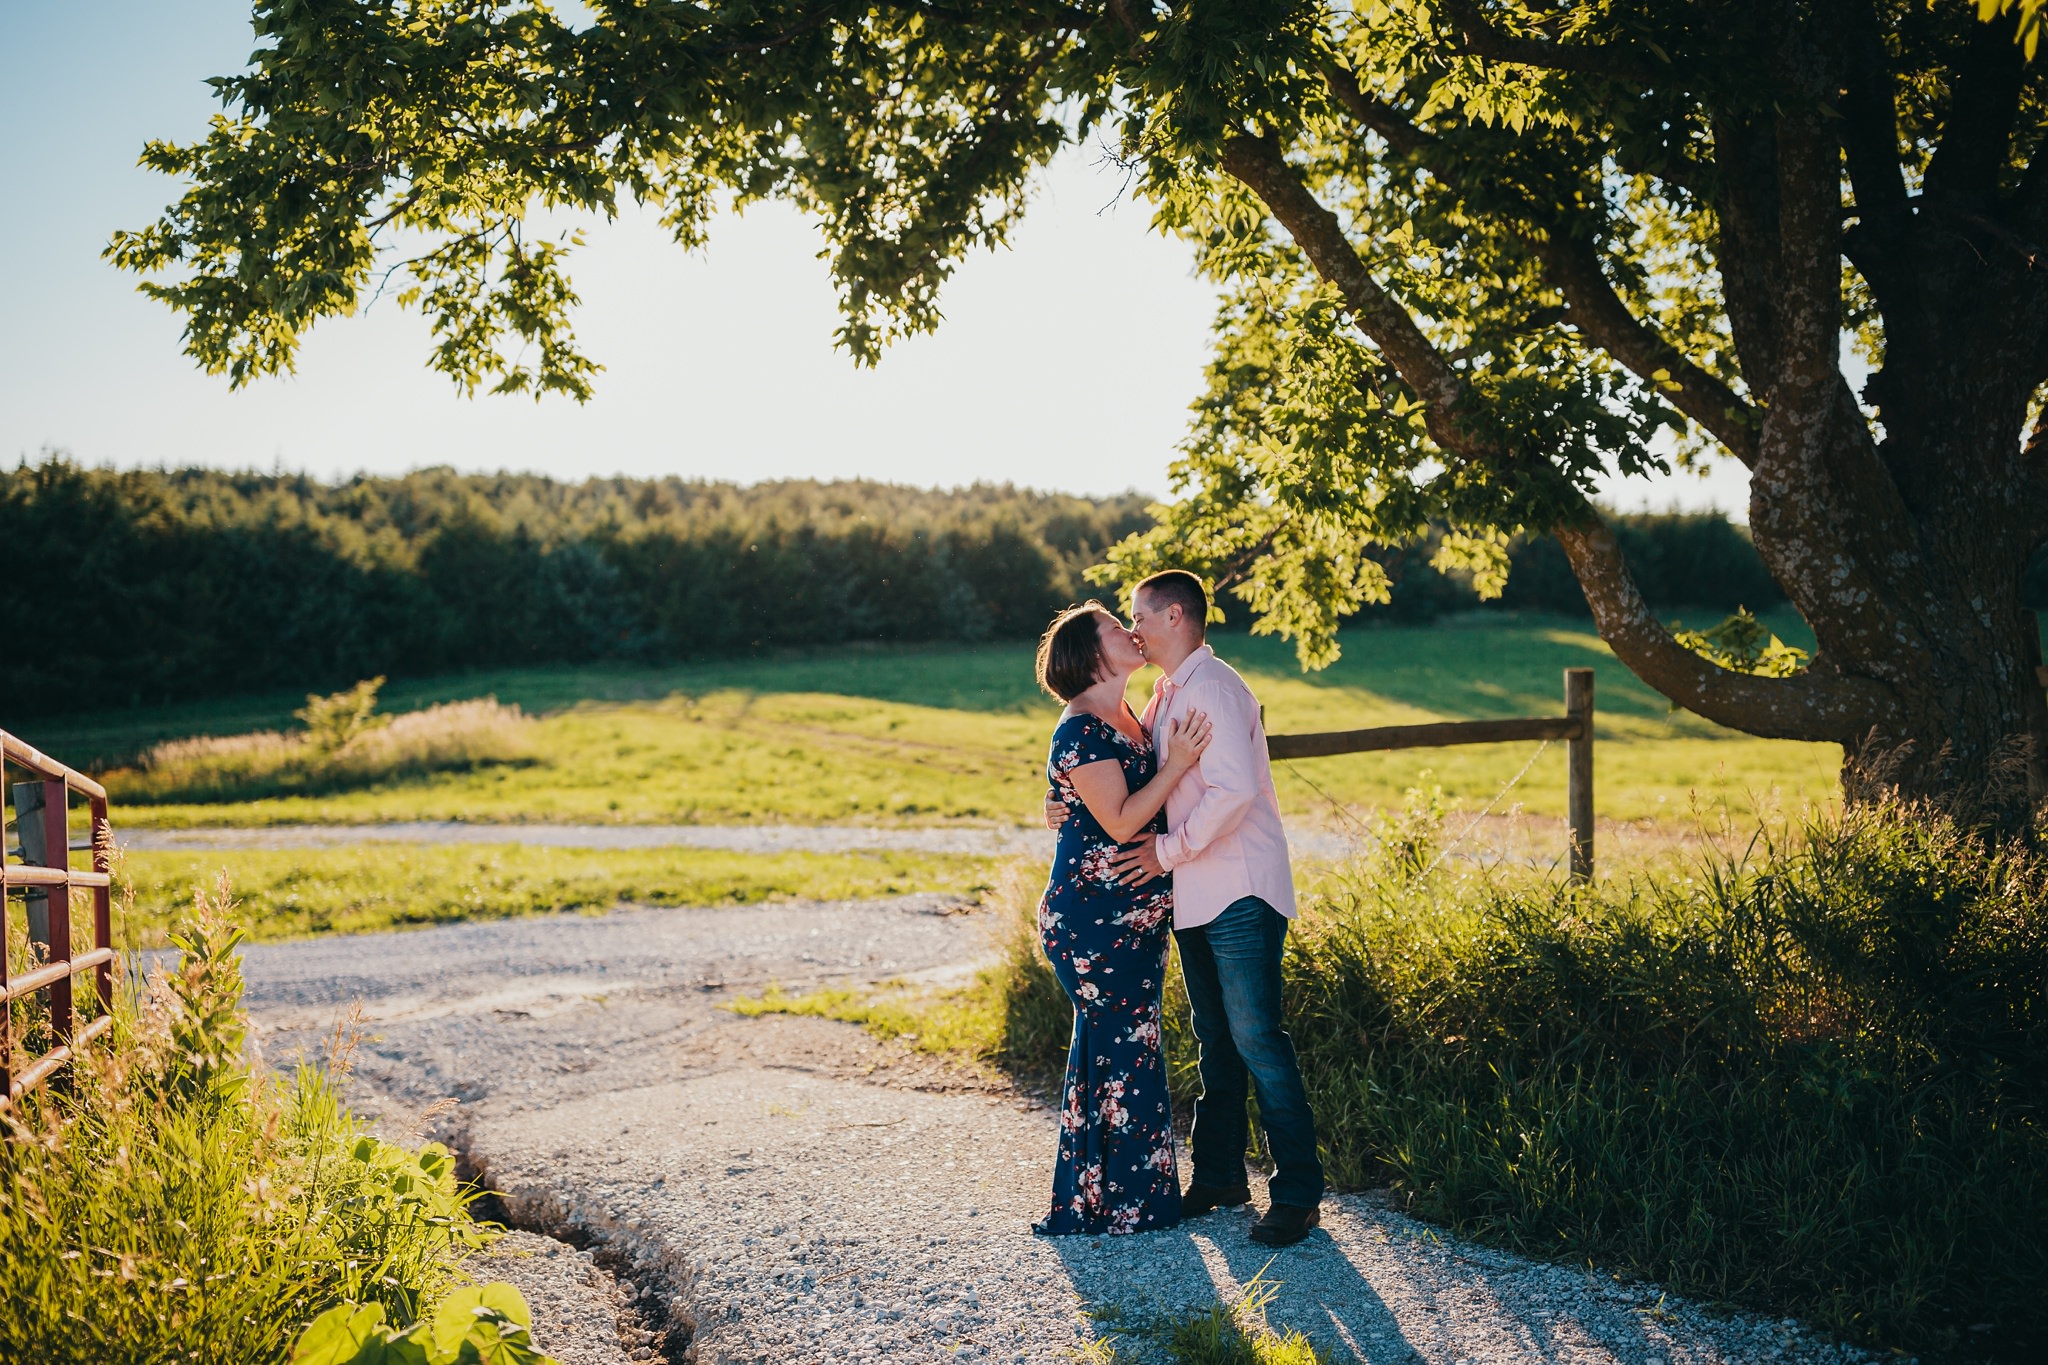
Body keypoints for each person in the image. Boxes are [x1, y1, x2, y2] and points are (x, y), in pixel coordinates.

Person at [1046, 569, 1326, 1246]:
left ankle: (1297, 1193)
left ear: (1175, 616)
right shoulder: (1163, 696)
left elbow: (1231, 794)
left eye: (1138, 616)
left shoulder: (1217, 691)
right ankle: (1223, 1174)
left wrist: (1165, 852)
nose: (1133, 628)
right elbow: (1102, 768)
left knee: (1257, 1037)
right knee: (1217, 1042)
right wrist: (1060, 800)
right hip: (1193, 895)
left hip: (1239, 889)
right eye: (1124, 623)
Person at [1030, 600, 1213, 1237]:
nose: (1130, 631)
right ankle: (1131, 1206)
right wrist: (1178, 766)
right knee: (1127, 1045)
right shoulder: (1080, 728)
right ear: (1092, 654)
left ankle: (1099, 1200)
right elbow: (1124, 819)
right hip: (1091, 922)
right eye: (1116, 627)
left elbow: (1083, 798)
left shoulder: (1131, 714)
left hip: (1136, 914)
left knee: (1115, 1046)